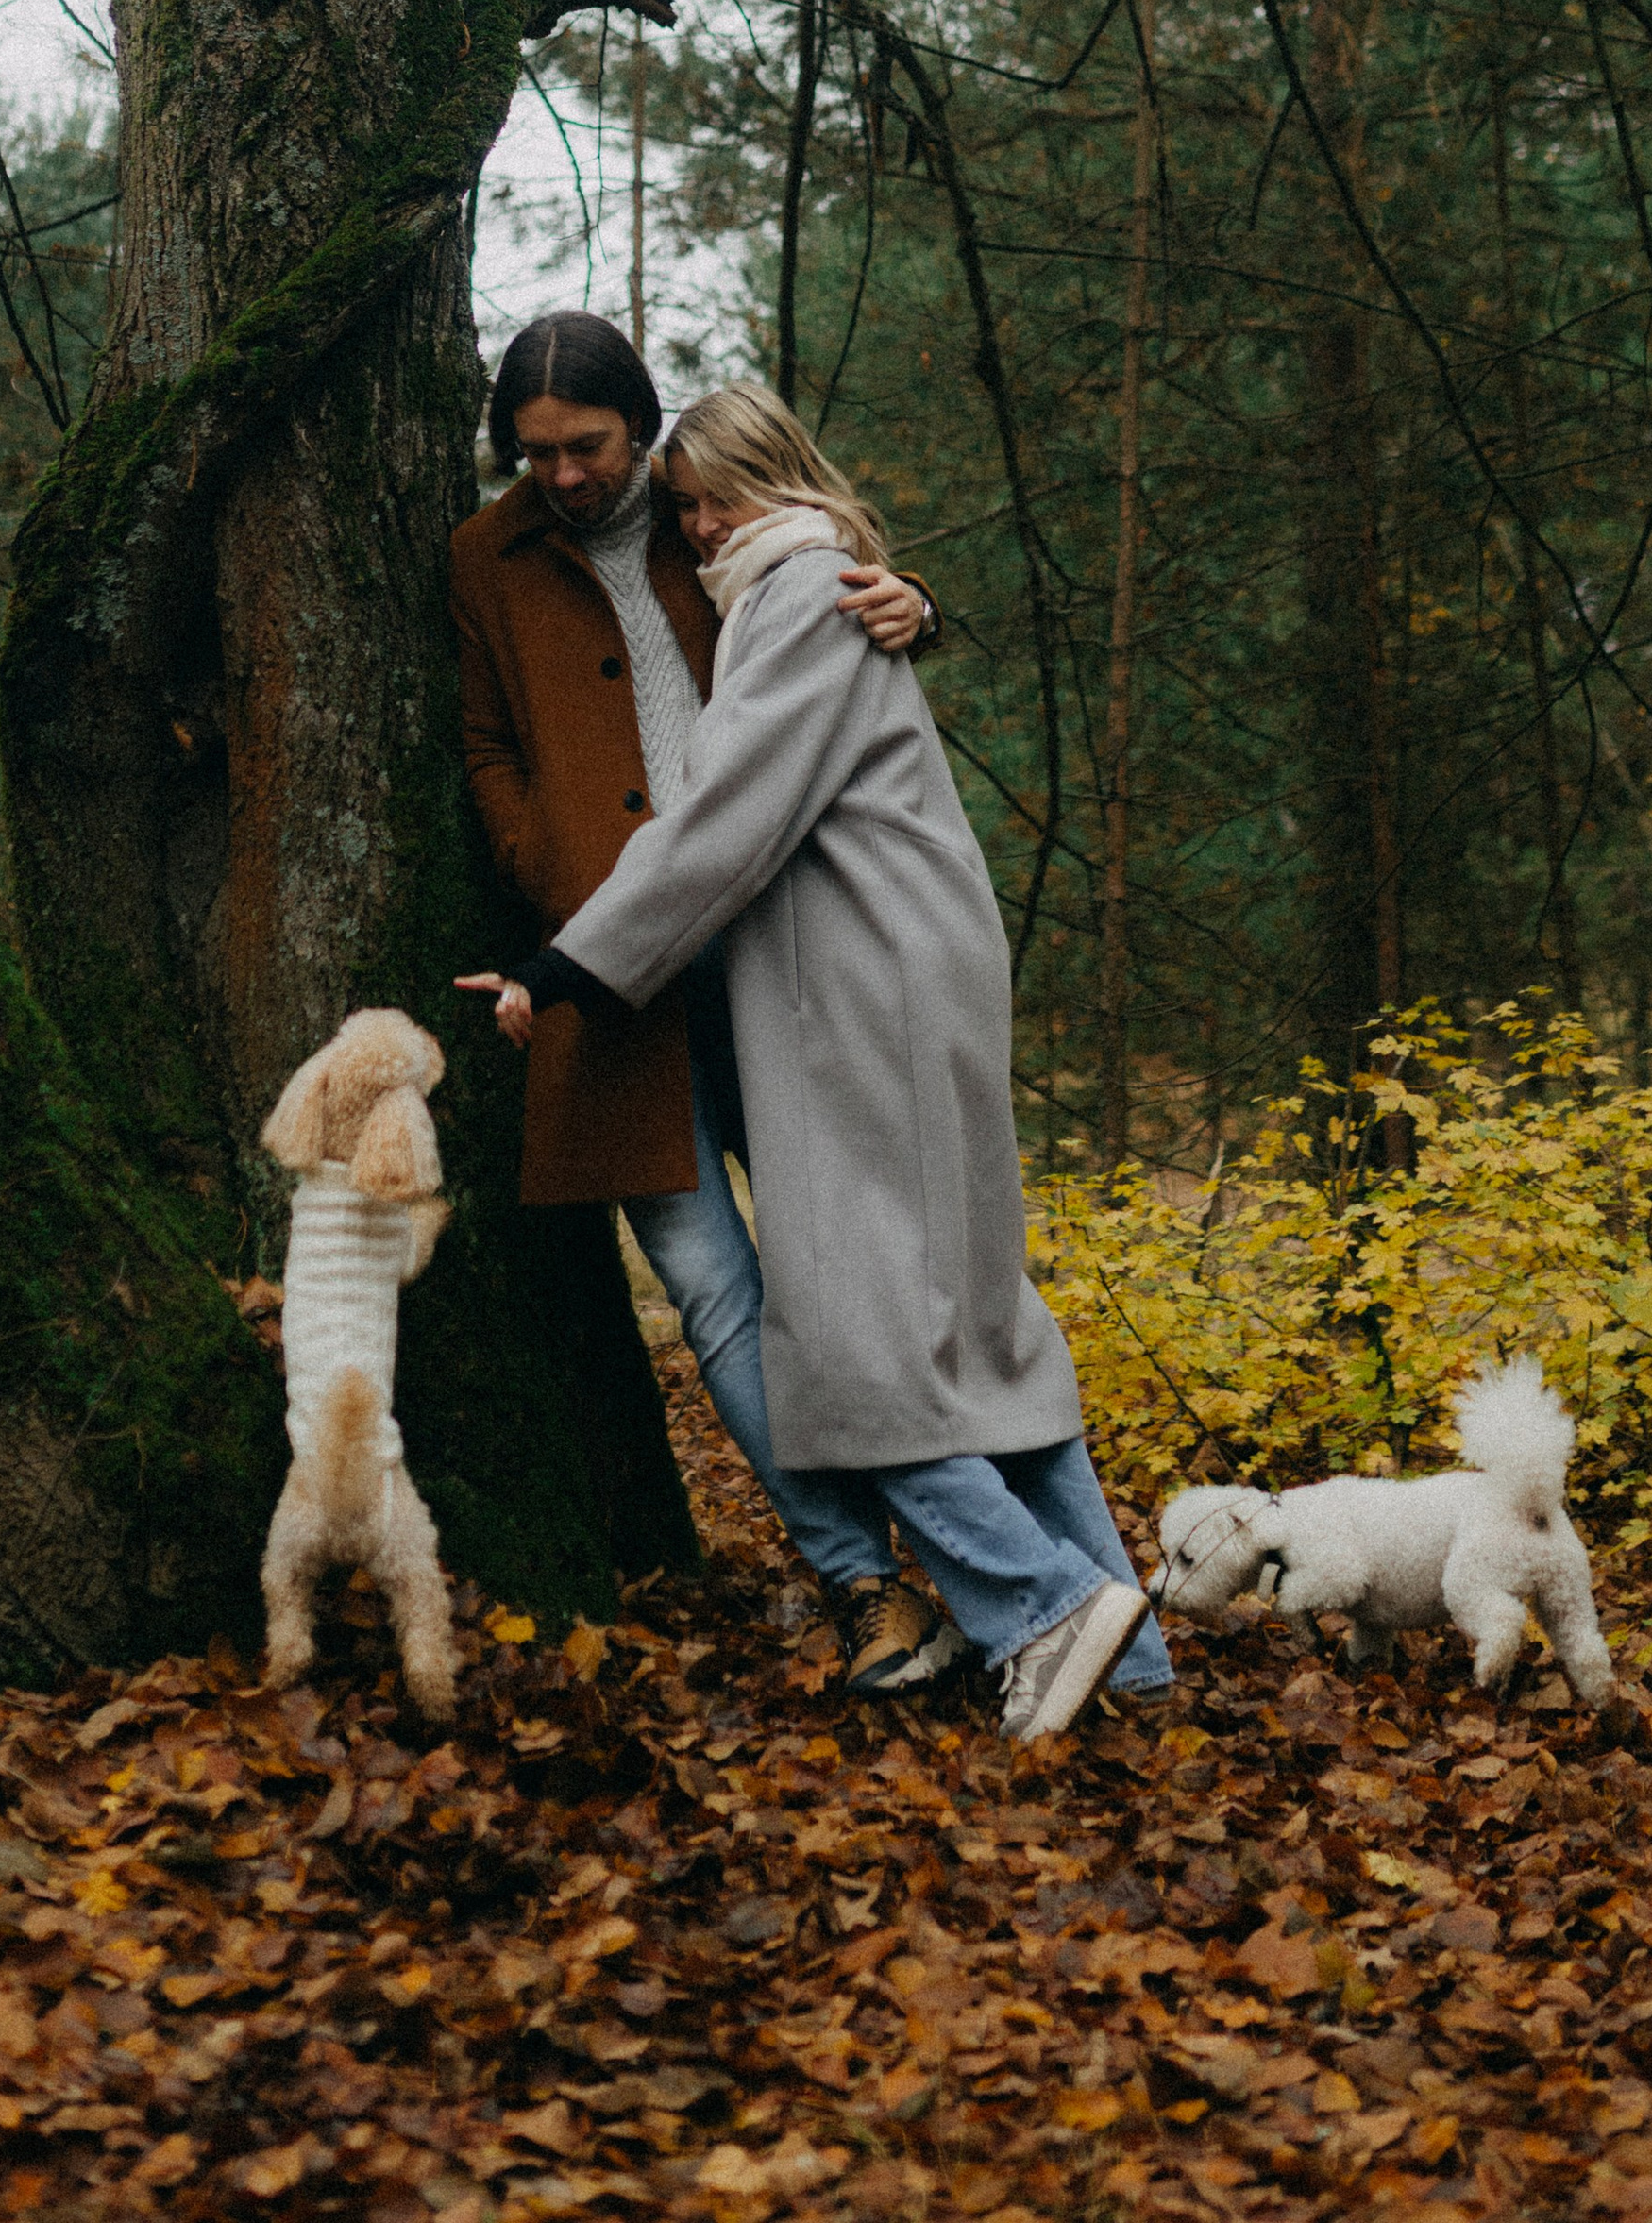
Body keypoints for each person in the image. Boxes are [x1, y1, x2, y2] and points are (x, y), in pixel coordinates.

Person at [461, 383, 1173, 1743]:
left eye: (715, 496)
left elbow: (725, 815)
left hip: (859, 978)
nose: (702, 523)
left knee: (848, 1332)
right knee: (978, 1322)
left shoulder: (789, 587)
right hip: (894, 964)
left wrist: (564, 968)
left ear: (774, 477)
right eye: (688, 506)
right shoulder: (807, 575)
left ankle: (1040, 1608)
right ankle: (1124, 1652)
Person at [449, 314, 954, 1690]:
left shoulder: (700, 510)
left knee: (841, 1262)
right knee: (714, 1292)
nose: (558, 474)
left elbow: (833, 587)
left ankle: (987, 1563)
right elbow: (489, 742)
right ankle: (865, 1586)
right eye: (533, 450)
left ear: (641, 425)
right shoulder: (483, 560)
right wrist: (543, 859)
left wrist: (913, 599)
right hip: (605, 969)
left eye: (585, 446)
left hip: (778, 945)